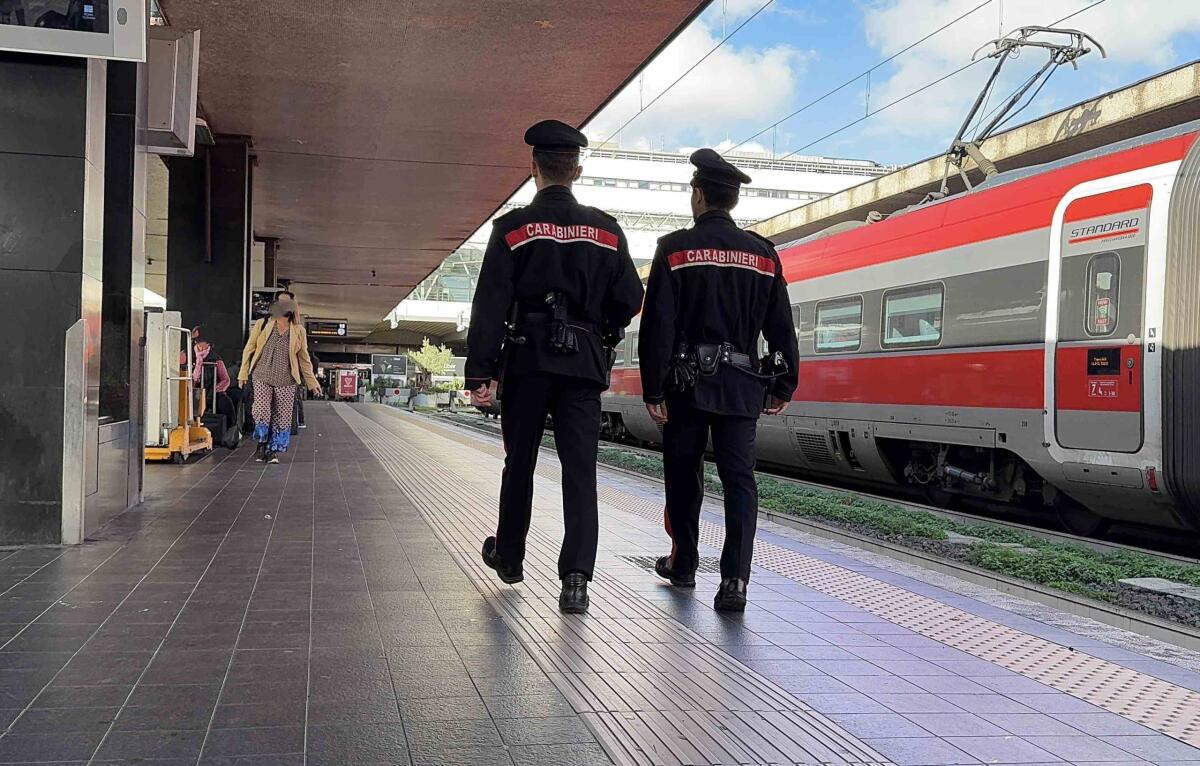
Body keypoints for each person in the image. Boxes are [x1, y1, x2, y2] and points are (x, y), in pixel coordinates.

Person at [467, 119, 644, 614]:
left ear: (534, 169)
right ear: (577, 170)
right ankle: (575, 579)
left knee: (518, 462)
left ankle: (509, 556)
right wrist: (598, 330)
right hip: (583, 365)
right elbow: (631, 297)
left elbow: (490, 304)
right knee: (579, 471)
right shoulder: (607, 230)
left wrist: (481, 372)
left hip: (526, 359)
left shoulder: (512, 228)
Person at [639, 149, 800, 612]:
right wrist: (783, 384)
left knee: (683, 476)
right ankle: (734, 582)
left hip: (686, 384)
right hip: (741, 385)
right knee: (739, 480)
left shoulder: (675, 249)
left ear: (699, 195)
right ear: (732, 201)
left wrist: (653, 389)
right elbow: (781, 327)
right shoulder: (764, 254)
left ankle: (684, 564)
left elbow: (658, 326)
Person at [238, 296, 321, 463]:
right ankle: (262, 442)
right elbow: (249, 348)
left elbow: (304, 360)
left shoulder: (298, 331)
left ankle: (272, 450)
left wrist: (312, 383)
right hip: (262, 375)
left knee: (281, 417)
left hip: (287, 379)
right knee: (261, 410)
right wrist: (243, 373)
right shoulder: (263, 324)